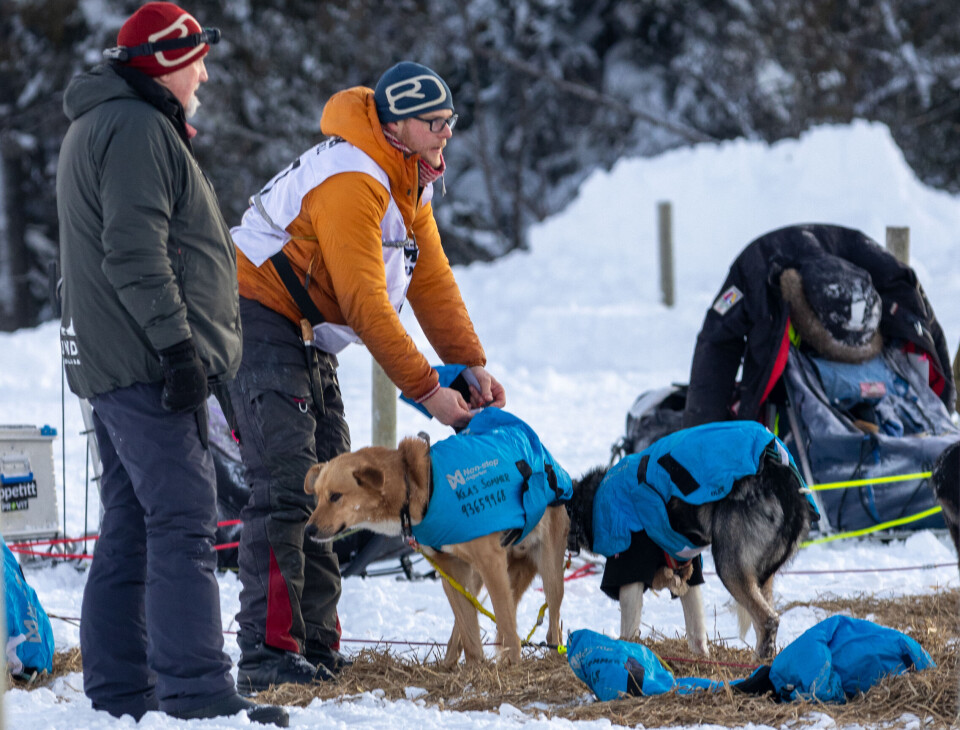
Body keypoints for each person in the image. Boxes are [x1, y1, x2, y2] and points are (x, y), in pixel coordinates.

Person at [226, 61, 506, 691]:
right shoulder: (354, 177)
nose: (445, 136)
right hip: (255, 312)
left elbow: (431, 280)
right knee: (285, 481)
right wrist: (430, 392)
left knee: (334, 474)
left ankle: (317, 645)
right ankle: (267, 654)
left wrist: (470, 365)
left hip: (303, 328)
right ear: (397, 125)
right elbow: (365, 303)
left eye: (450, 122)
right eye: (433, 124)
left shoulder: (410, 178)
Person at [56, 3, 286, 726]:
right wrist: (178, 348)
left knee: (134, 518)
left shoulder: (113, 121)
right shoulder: (132, 128)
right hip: (142, 361)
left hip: (119, 357)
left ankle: (123, 691)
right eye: (197, 60)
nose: (206, 73)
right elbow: (134, 251)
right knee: (186, 516)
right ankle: (197, 692)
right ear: (164, 62)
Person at [682, 223, 955, 428]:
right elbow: (716, 343)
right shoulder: (755, 271)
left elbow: (929, 334)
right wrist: (703, 435)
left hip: (851, 259)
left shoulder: (894, 280)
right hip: (778, 291)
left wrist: (944, 407)